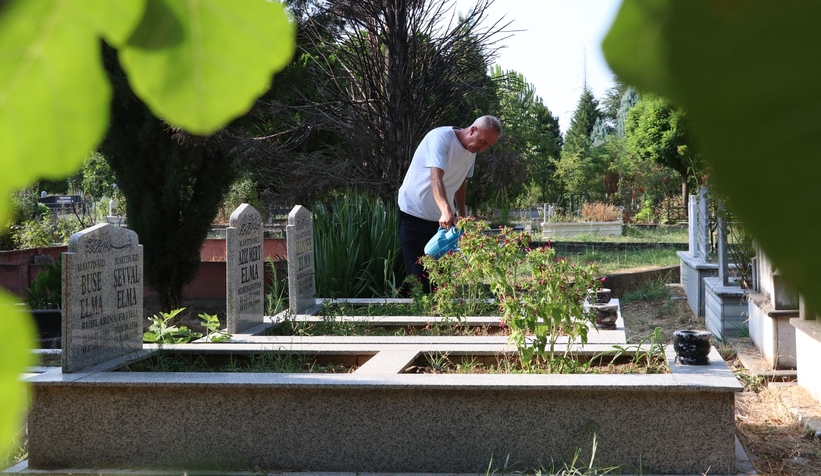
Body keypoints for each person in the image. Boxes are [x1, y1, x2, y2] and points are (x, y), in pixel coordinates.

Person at [397, 115, 502, 292]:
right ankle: (417, 317)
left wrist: (461, 213)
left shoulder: (471, 151)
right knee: (418, 279)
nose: (483, 149)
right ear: (473, 130)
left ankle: (437, 319)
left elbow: (461, 182)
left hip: (442, 223)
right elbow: (435, 178)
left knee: (441, 279)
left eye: (487, 146)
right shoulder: (440, 138)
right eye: (483, 142)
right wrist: (446, 210)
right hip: (414, 214)